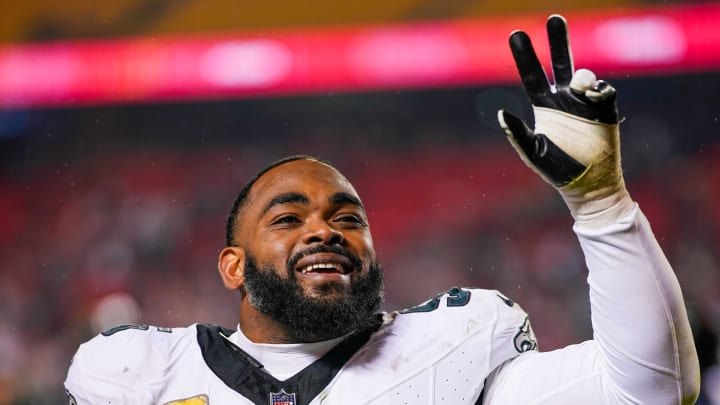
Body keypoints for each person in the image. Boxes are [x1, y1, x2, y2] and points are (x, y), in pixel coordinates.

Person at [64, 15, 700, 404]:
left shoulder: (455, 347)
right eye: (287, 219)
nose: (325, 230)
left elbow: (652, 391)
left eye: (348, 218)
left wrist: (601, 203)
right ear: (232, 266)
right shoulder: (132, 374)